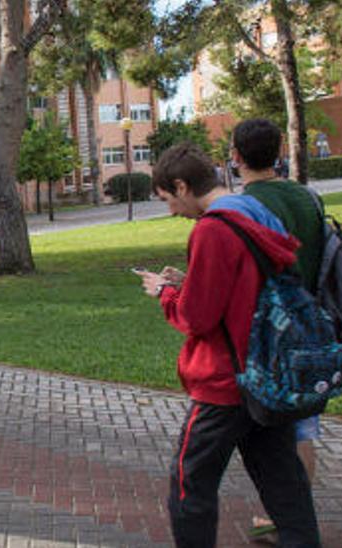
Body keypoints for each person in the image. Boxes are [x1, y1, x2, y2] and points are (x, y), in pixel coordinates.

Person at [136, 143, 320, 548]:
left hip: (224, 381)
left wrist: (166, 293)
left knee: (189, 484)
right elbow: (244, 287)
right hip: (265, 373)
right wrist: (191, 283)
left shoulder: (212, 229)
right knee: (283, 483)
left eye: (168, 199)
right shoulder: (255, 213)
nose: (170, 210)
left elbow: (197, 318)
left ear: (183, 186)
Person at [228, 118, 329, 542]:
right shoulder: (309, 198)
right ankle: (294, 517)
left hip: (270, 328)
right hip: (313, 320)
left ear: (235, 156)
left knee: (272, 428)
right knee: (302, 424)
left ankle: (288, 519)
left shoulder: (246, 205)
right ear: (279, 151)